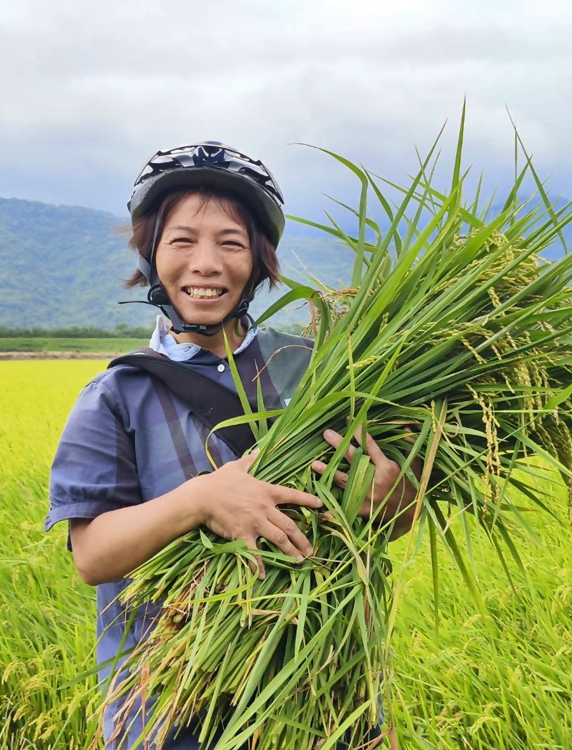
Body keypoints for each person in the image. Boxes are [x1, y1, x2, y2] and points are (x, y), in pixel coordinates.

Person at [46, 142, 418, 749]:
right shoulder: (116, 394)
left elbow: (380, 518)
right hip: (174, 711)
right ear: (151, 254)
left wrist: (393, 498)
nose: (206, 263)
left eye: (231, 243)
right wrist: (202, 500)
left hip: (328, 696)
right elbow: (92, 555)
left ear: (260, 262)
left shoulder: (316, 368)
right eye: (183, 241)